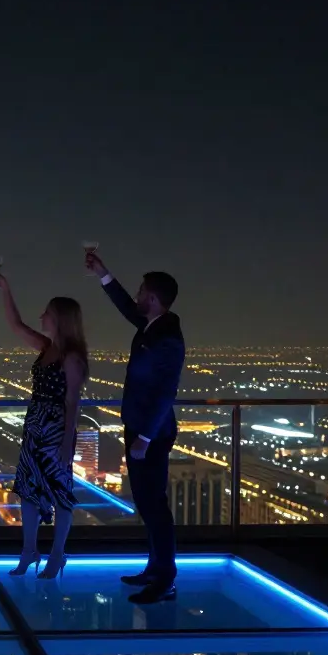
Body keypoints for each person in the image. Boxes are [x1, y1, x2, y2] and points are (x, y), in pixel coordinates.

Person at [85, 251, 184, 604]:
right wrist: (103, 274)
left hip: (150, 434)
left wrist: (144, 436)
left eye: (142, 292)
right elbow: (129, 308)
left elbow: (165, 391)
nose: (138, 296)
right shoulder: (153, 325)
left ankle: (165, 578)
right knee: (147, 502)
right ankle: (155, 568)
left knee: (154, 505)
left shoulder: (167, 336)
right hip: (141, 429)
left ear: (154, 299)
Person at [0, 272, 87, 579]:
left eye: (47, 312)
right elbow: (16, 326)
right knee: (28, 491)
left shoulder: (72, 358)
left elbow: (73, 402)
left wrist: (65, 442)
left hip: (55, 430)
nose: (42, 316)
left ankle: (56, 555)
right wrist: (5, 289)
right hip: (35, 426)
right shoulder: (47, 347)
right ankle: (29, 551)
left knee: (60, 493)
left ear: (60, 318)